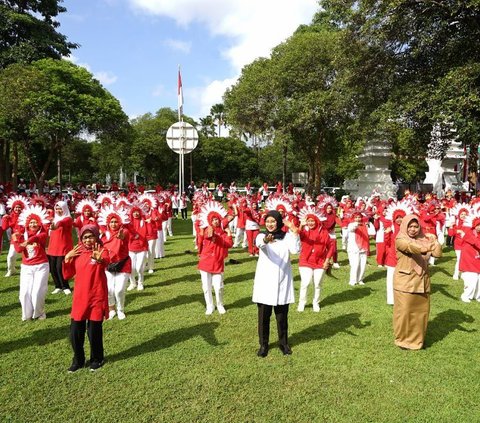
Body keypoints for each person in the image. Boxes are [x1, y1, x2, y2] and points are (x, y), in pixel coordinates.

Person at [252, 210, 300, 357]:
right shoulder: (261, 235)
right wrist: (266, 240)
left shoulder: (286, 237)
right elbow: (260, 243)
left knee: (281, 317)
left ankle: (284, 343)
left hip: (282, 282)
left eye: (273, 222)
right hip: (265, 282)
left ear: (278, 222)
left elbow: (296, 250)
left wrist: (294, 231)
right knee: (263, 318)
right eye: (268, 222)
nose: (270, 224)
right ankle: (263, 345)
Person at [63, 225, 110, 372]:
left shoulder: (102, 250)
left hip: (97, 295)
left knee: (94, 330)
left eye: (91, 236)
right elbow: (67, 275)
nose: (88, 240)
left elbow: (107, 261)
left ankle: (97, 358)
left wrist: (100, 259)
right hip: (80, 297)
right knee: (75, 331)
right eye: (85, 237)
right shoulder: (77, 251)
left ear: (96, 236)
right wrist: (67, 258)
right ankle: (78, 360)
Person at [393, 214, 442, 350]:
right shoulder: (400, 239)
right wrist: (427, 245)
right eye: (410, 226)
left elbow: (438, 254)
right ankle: (403, 340)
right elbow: (412, 248)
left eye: (416, 226)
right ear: (405, 226)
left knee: (421, 312)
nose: (413, 229)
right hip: (405, 281)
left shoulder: (424, 239)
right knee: (404, 312)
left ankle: (417, 341)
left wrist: (435, 241)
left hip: (422, 281)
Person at [12, 205, 50, 321]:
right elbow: (18, 250)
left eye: (35, 222)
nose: (33, 225)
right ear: (27, 224)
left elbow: (39, 238)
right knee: (24, 293)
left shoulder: (43, 233)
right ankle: (27, 315)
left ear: (39, 224)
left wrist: (26, 241)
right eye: (31, 222)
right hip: (26, 267)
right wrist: (15, 240)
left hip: (41, 266)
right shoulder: (21, 235)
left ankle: (39, 313)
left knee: (37, 292)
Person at [197, 201, 233, 315]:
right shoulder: (207, 229)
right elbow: (208, 235)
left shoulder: (223, 233)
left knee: (219, 287)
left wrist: (228, 234)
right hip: (205, 262)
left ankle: (220, 304)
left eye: (216, 219)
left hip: (218, 263)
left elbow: (229, 244)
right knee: (206, 287)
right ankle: (209, 305)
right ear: (209, 221)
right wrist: (210, 231)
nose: (215, 221)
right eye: (212, 220)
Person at [297, 207, 334, 312]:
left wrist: (327, 260)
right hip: (305, 261)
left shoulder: (324, 232)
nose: (310, 223)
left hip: (320, 262)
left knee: (317, 284)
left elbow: (331, 246)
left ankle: (315, 303)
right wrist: (301, 225)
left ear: (317, 221)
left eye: (312, 221)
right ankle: (302, 302)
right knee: (306, 282)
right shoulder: (304, 231)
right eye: (308, 221)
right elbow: (297, 234)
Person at [98, 206, 131, 320]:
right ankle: (111, 309)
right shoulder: (104, 235)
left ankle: (120, 309)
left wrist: (121, 237)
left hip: (123, 264)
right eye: (111, 222)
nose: (113, 224)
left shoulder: (124, 231)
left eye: (116, 221)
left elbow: (124, 236)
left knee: (119, 290)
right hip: (108, 265)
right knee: (109, 289)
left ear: (120, 222)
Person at [47, 200, 74, 295]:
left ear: (65, 209)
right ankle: (57, 286)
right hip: (52, 247)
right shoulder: (54, 219)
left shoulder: (68, 219)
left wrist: (56, 225)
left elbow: (62, 223)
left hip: (63, 246)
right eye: (57, 209)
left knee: (60, 267)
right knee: (52, 268)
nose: (58, 210)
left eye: (60, 209)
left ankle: (65, 286)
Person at [457, 213, 480, 303]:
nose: (479, 227)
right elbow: (477, 243)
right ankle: (466, 295)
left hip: (477, 260)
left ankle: (477, 296)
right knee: (471, 280)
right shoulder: (469, 233)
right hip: (469, 261)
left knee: (479, 280)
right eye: (478, 225)